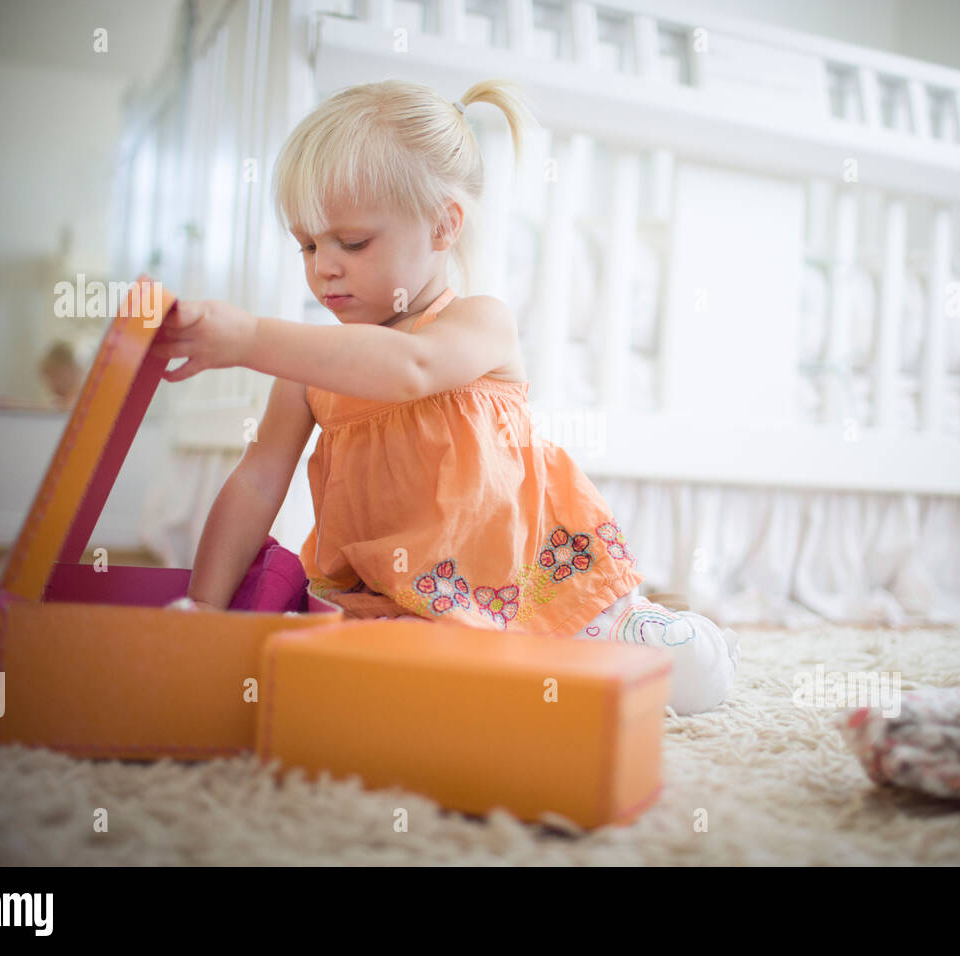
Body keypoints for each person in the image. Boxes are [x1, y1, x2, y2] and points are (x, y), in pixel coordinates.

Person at [154, 79, 740, 716]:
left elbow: (408, 368)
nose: (323, 266)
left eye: (351, 243)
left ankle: (698, 639)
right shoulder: (308, 369)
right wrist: (204, 609)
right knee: (367, 699)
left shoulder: (479, 324)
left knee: (688, 680)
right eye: (307, 244)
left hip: (534, 589)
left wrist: (250, 337)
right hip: (404, 604)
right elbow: (257, 480)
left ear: (443, 226)